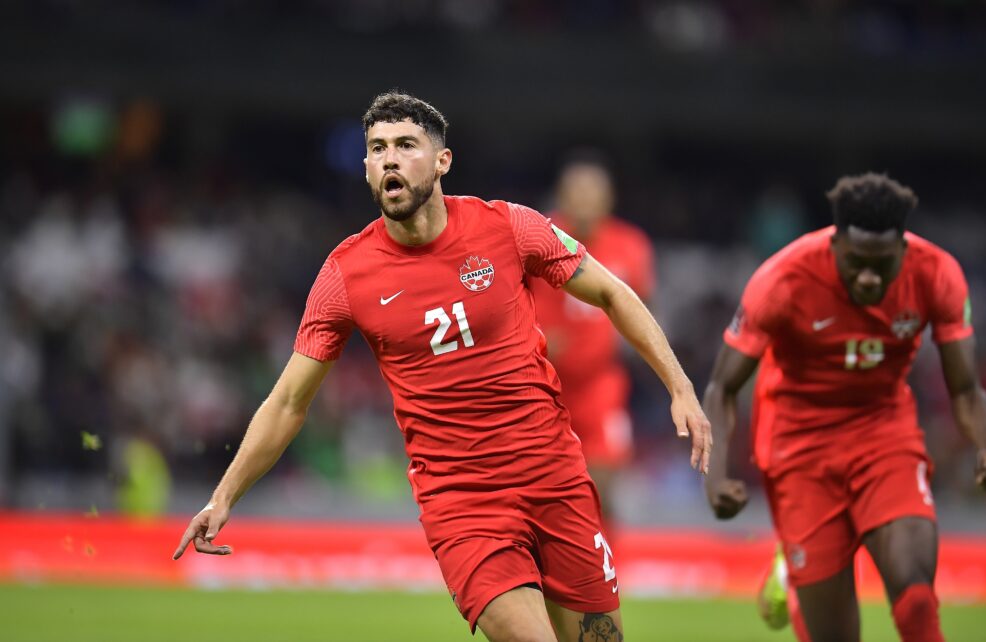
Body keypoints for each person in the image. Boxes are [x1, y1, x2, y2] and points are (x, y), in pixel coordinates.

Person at [172, 92, 712, 642]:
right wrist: (224, 495)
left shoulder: (508, 228)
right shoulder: (345, 276)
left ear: (442, 161)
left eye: (406, 145)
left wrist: (680, 387)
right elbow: (289, 400)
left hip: (555, 479)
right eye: (377, 148)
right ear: (364, 167)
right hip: (464, 505)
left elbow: (614, 294)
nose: (390, 159)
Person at [702, 173, 986, 642]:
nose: (869, 276)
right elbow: (723, 387)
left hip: (884, 432)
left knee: (917, 598)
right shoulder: (783, 279)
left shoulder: (935, 273)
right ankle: (795, 567)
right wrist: (716, 475)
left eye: (882, 265)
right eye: (856, 264)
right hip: (798, 446)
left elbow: (965, 390)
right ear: (835, 246)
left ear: (903, 250)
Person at [530, 152, 655, 531]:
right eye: (576, 192)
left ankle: (605, 578)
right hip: (543, 384)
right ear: (561, 196)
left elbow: (642, 309)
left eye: (592, 193)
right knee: (540, 494)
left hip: (602, 385)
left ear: (608, 198)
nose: (584, 200)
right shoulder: (537, 238)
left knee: (600, 493)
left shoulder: (630, 245)